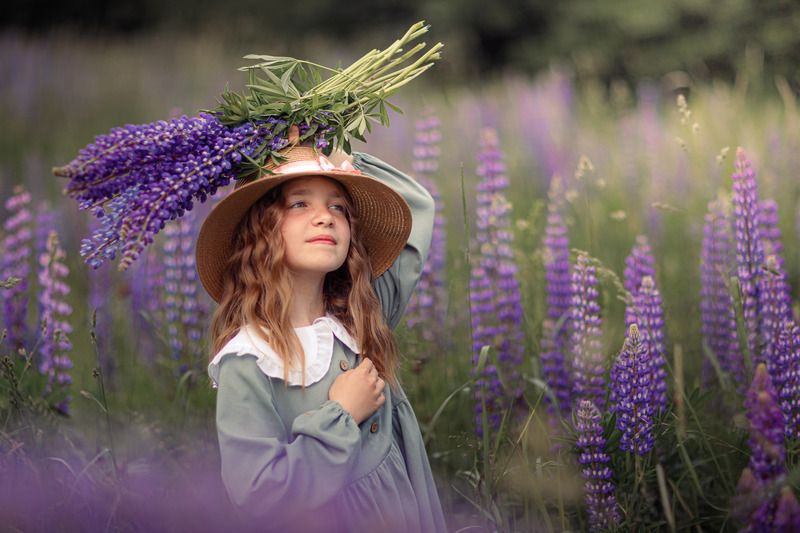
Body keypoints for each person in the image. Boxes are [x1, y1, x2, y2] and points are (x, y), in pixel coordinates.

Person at [195, 125, 447, 532]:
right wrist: (342, 414)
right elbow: (260, 493)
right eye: (299, 203)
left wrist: (347, 159)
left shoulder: (361, 315)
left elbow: (416, 209)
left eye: (339, 207)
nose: (325, 217)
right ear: (261, 232)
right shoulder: (249, 359)